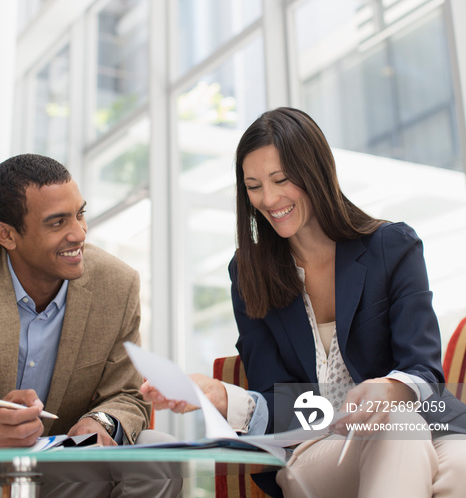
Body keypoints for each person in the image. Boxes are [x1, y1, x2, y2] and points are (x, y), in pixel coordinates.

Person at [142, 107, 466, 498]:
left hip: (428, 425)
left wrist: (390, 389)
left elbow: (423, 367)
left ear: (315, 171)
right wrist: (221, 395)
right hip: (317, 446)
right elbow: (273, 393)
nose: (269, 198)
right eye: (254, 185)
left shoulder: (392, 246)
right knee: (396, 426)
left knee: (457, 464)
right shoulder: (248, 274)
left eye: (281, 179)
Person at [0, 153, 182, 497]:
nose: (78, 234)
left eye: (80, 214)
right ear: (7, 235)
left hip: (63, 463)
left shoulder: (117, 284)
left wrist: (100, 424)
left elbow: (127, 393)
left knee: (157, 449)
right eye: (57, 223)